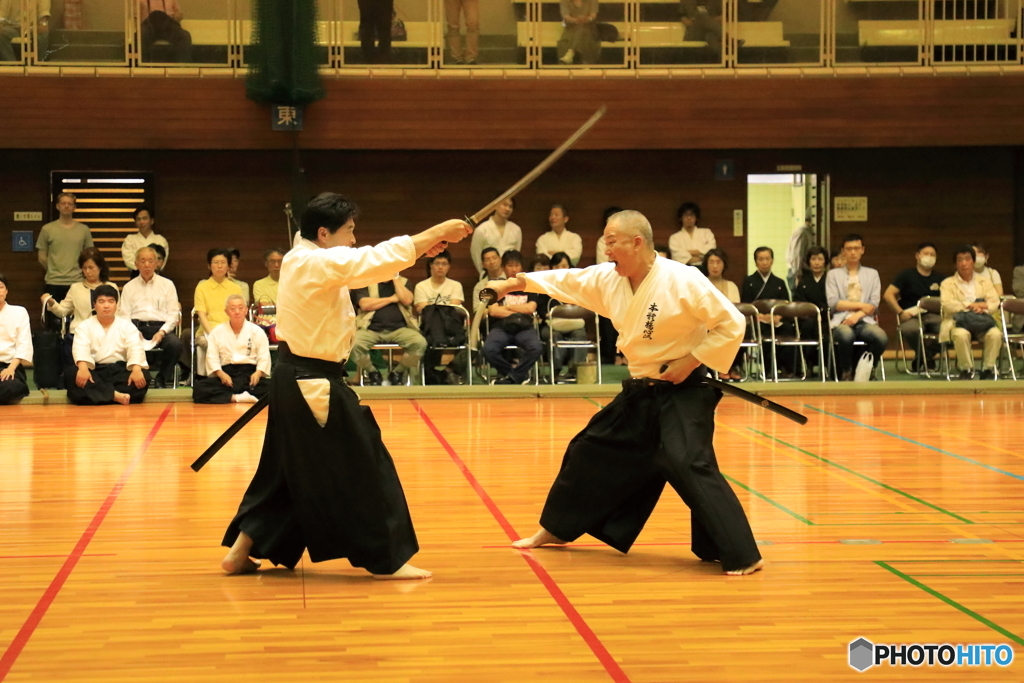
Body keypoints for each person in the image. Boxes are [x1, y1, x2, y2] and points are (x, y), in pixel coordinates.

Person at [485, 210, 762, 575]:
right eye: (605, 241)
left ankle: (743, 555)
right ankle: (556, 529)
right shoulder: (609, 279)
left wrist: (691, 361)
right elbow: (565, 280)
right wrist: (514, 284)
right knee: (589, 448)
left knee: (688, 462)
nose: (607, 248)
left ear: (638, 242)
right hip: (641, 390)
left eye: (612, 241)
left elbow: (731, 323)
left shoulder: (682, 279)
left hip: (684, 389)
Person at [219, 191, 471, 579]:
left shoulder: (306, 259)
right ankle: (388, 557)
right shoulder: (309, 261)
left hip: (300, 379)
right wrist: (434, 232)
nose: (354, 238)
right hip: (310, 382)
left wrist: (421, 249)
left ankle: (241, 551)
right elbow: (367, 259)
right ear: (323, 233)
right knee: (365, 463)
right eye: (349, 231)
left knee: (286, 471)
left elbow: (365, 263)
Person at [66, 285, 150, 406]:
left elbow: (135, 348)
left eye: (111, 301)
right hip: (95, 370)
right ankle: (115, 396)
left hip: (119, 371)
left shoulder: (127, 326)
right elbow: (80, 348)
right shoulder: (84, 326)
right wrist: (83, 368)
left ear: (117, 305)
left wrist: (136, 369)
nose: (106, 306)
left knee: (144, 376)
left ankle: (99, 394)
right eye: (101, 301)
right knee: (72, 374)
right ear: (94, 305)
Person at [826, 234, 887, 381]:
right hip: (841, 321)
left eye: (856, 248)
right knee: (846, 335)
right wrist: (861, 305)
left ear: (862, 250)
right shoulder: (833, 274)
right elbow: (834, 303)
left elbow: (873, 304)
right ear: (843, 251)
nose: (853, 252)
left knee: (881, 337)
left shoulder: (872, 274)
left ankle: (868, 369)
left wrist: (857, 315)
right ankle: (847, 371)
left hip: (864, 320)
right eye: (849, 249)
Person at [42, 248, 118, 366]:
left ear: (100, 267)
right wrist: (51, 302)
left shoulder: (111, 287)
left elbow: (119, 313)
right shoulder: (75, 288)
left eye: (91, 267)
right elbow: (63, 311)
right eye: (84, 268)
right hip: (78, 335)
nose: (87, 271)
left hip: (106, 336)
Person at [119, 246, 182, 388]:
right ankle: (136, 378)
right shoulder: (129, 287)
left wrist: (162, 332)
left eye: (150, 261)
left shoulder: (167, 285)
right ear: (136, 264)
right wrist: (134, 332)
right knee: (123, 343)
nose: (147, 265)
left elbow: (173, 314)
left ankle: (161, 378)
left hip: (161, 327)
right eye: (143, 261)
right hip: (136, 327)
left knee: (175, 344)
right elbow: (124, 316)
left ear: (157, 263)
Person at [193, 295, 271, 404]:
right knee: (199, 389)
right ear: (226, 312)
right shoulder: (217, 332)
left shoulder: (257, 331)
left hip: (250, 375)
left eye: (240, 308)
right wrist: (220, 374)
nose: (237, 312)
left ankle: (231, 396)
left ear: (246, 310)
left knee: (275, 387)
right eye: (233, 309)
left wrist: (258, 373)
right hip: (227, 376)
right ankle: (237, 398)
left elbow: (264, 356)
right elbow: (212, 357)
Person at [349, 273, 424, 387]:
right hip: (370, 329)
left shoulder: (403, 282)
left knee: (419, 343)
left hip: (400, 329)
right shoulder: (366, 282)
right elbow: (365, 304)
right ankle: (372, 372)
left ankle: (398, 372)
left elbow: (407, 300)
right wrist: (392, 299)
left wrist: (395, 280)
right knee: (354, 343)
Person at [940, 245, 1001, 380]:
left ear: (973, 261)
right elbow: (948, 305)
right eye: (960, 260)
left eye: (967, 259)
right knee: (961, 335)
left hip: (982, 321)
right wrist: (971, 305)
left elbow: (994, 302)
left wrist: (983, 308)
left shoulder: (985, 281)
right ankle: (966, 370)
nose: (964, 263)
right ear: (955, 263)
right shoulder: (947, 283)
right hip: (958, 323)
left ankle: (988, 369)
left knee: (995, 334)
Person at [482, 250, 543, 385]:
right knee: (488, 350)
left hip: (524, 327)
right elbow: (493, 311)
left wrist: (507, 307)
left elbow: (530, 308)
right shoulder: (495, 285)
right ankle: (515, 376)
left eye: (517, 265)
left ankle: (512, 378)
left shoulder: (530, 286)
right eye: (510, 265)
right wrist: (520, 310)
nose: (513, 269)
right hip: (501, 327)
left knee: (536, 348)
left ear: (522, 267)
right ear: (503, 267)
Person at [883, 242, 944, 372]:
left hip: (934, 316)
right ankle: (928, 358)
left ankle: (922, 358)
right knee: (911, 330)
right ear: (917, 256)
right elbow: (888, 295)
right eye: (926, 254)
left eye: (932, 254)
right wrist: (900, 312)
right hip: (911, 316)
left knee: (949, 331)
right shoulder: (906, 275)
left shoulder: (940, 278)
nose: (929, 257)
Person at [38, 193, 93, 331]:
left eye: (70, 203)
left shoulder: (83, 230)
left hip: (78, 282)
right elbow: (42, 256)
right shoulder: (47, 229)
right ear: (57, 206)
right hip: (53, 282)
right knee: (53, 323)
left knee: (78, 322)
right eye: (63, 203)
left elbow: (89, 256)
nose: (66, 206)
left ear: (74, 207)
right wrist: (52, 269)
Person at [414, 250, 468, 385]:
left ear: (449, 267)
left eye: (444, 264)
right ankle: (435, 371)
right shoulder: (421, 286)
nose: (440, 267)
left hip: (451, 325)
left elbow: (455, 307)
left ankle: (444, 369)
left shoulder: (455, 285)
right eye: (437, 263)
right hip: (429, 325)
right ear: (431, 265)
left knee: (437, 314)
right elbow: (422, 308)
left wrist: (434, 307)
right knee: (433, 316)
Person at [740, 246, 792, 377]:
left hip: (776, 320)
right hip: (757, 321)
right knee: (765, 332)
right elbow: (746, 304)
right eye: (761, 259)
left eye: (767, 259)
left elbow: (786, 304)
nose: (764, 262)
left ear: (772, 261)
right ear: (756, 262)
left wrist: (778, 317)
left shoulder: (779, 282)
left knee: (788, 330)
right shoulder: (749, 281)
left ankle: (788, 368)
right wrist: (761, 316)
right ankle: (769, 370)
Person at [194, 248, 243, 375]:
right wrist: (214, 335)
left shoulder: (235, 288)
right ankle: (214, 378)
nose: (219, 266)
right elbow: (201, 315)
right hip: (207, 333)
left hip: (231, 331)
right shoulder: (202, 287)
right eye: (216, 262)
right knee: (216, 344)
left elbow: (238, 314)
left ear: (229, 266)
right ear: (209, 266)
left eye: (223, 262)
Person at [546, 251, 587, 379]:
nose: (560, 269)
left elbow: (583, 307)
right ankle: (556, 372)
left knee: (580, 334)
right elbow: (543, 311)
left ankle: (575, 370)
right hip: (553, 326)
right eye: (557, 266)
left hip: (574, 324)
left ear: (570, 267)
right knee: (554, 336)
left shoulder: (577, 285)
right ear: (551, 268)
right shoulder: (544, 285)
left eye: (564, 266)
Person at [792, 245, 830, 377]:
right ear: (809, 262)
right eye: (813, 259)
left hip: (827, 319)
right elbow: (798, 302)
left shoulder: (831, 280)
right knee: (808, 327)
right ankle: (808, 365)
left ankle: (827, 365)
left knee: (827, 332)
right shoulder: (803, 281)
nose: (817, 262)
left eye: (820, 259)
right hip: (808, 320)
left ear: (825, 261)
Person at [0, 275, 32, 404]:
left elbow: (24, 344)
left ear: (6, 291)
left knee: (10, 386)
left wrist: (11, 368)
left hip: (10, 366)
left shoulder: (19, 312)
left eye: (1, 287)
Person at [470, 197, 521, 275]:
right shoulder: (481, 229)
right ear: (495, 205)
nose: (507, 209)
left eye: (510, 206)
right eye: (504, 205)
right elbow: (476, 254)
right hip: (489, 275)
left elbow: (516, 255)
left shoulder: (516, 229)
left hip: (510, 275)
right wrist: (483, 273)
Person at [122, 206, 169, 278]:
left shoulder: (160, 240)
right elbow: (129, 261)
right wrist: (144, 269)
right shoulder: (130, 239)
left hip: (157, 276)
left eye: (145, 218)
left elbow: (162, 261)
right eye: (138, 219)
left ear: (152, 221)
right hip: (136, 276)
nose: (141, 222)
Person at [669, 202, 716, 267]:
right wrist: (701, 256)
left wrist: (687, 252)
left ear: (696, 218)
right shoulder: (674, 238)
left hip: (704, 268)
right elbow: (677, 256)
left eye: (692, 215)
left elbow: (711, 250)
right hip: (683, 269)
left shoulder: (706, 233)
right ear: (680, 218)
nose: (689, 218)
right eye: (686, 215)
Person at [558, 0, 600, 65]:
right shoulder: (565, 1)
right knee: (581, 29)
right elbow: (566, 17)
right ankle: (586, 63)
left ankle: (570, 52)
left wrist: (587, 19)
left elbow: (593, 15)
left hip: (589, 28)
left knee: (584, 30)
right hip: (571, 29)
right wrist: (576, 20)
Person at [785, 216, 815, 292]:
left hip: (799, 271)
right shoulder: (802, 232)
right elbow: (796, 254)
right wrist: (798, 275)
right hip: (799, 272)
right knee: (799, 301)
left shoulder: (805, 232)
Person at [472, 246, 506, 313]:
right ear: (483, 264)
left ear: (500, 259)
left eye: (494, 258)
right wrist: (493, 311)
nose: (492, 262)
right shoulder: (480, 286)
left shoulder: (509, 278)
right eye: (487, 260)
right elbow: (477, 311)